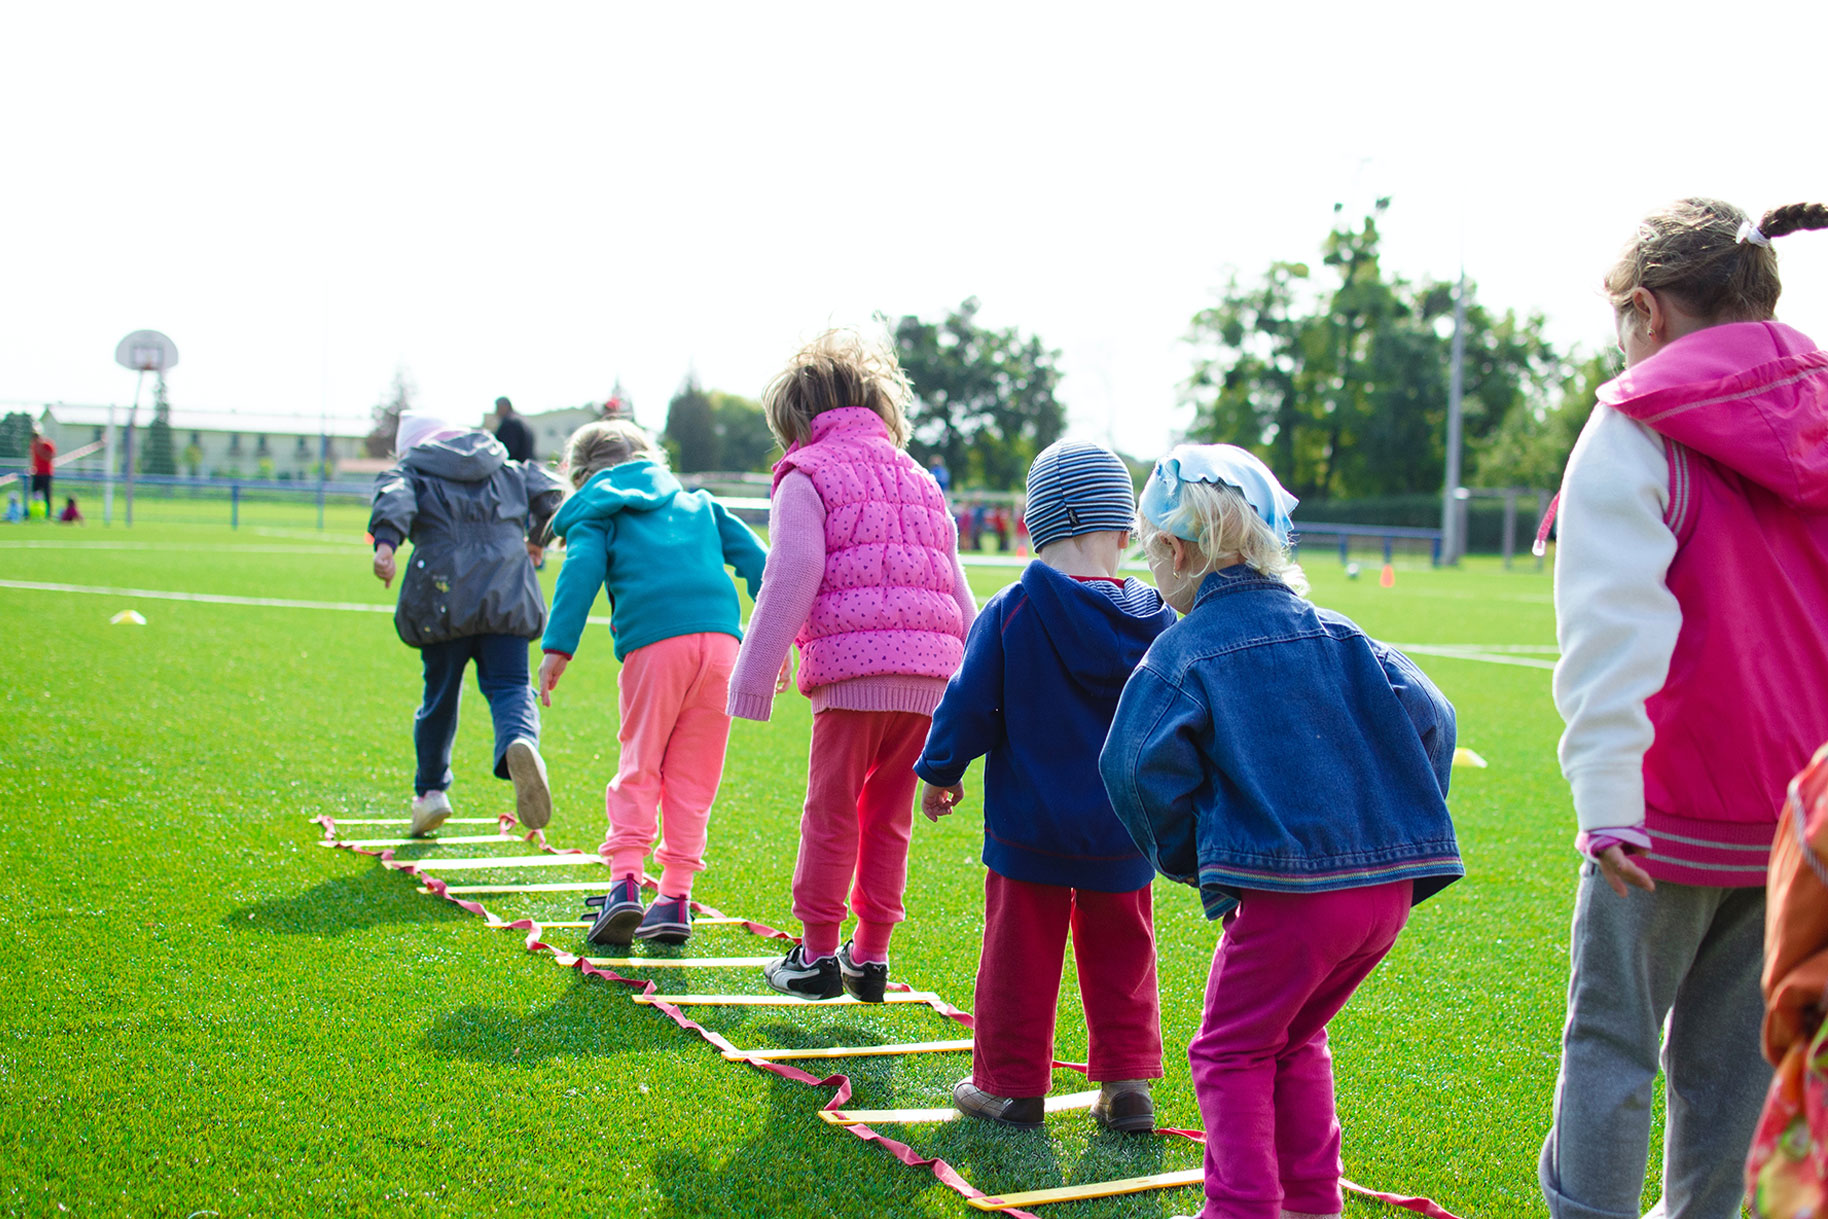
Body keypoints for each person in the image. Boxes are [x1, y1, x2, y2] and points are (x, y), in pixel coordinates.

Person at [1539, 199, 1828, 1219]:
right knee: (1733, 1068)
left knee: (1610, 1046)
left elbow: (1611, 631)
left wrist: (1608, 798)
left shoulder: (1633, 425)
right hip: (1802, 818)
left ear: (1647, 312)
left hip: (1661, 813)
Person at [1101, 444, 1461, 1219]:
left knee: (1228, 1050)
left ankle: (1241, 1208)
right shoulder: (1341, 631)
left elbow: (1131, 767)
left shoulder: (1183, 650)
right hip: (1383, 897)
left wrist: (1199, 859)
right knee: (1294, 1037)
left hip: (1291, 897)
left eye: (1149, 551)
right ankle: (1310, 1202)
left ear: (1175, 549)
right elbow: (1435, 715)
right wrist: (1397, 822)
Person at [917, 440, 1177, 1134]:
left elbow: (967, 703)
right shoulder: (1162, 620)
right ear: (1124, 532)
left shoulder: (1012, 610)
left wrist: (941, 771)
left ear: (1035, 526)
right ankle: (1127, 1086)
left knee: (1018, 957)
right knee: (1125, 952)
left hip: (1028, 827)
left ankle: (1010, 1085)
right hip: (1125, 829)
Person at [726, 328, 976, 1002]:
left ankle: (813, 954)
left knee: (831, 810)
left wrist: (754, 672)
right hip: (931, 679)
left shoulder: (806, 473)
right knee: (887, 816)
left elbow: (794, 569)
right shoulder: (920, 477)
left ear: (797, 421)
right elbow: (957, 587)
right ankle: (869, 955)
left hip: (853, 675)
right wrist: (978, 690)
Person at [538, 420, 768, 946]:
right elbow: (763, 563)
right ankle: (675, 898)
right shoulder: (701, 504)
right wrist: (778, 637)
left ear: (580, 476)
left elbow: (581, 571)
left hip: (656, 646)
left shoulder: (599, 512)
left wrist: (558, 647)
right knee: (695, 776)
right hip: (722, 648)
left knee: (640, 762)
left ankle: (624, 885)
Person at [369, 410, 564, 837]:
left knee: (440, 694)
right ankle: (521, 741)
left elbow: (395, 497)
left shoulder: (414, 470)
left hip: (442, 595)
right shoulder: (504, 464)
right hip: (509, 590)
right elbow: (552, 493)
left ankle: (431, 792)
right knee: (511, 685)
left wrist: (386, 543)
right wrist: (537, 538)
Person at [493, 396, 534, 463]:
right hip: (526, 466)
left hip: (515, 468)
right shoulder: (522, 420)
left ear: (504, 407)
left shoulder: (510, 423)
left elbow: (507, 450)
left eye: (497, 408)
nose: (496, 411)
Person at [29, 425, 55, 519]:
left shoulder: (47, 445)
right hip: (37, 474)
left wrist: (40, 450)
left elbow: (50, 457)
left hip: (46, 474)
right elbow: (33, 459)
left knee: (47, 495)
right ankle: (35, 513)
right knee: (35, 494)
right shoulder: (33, 446)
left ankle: (49, 514)